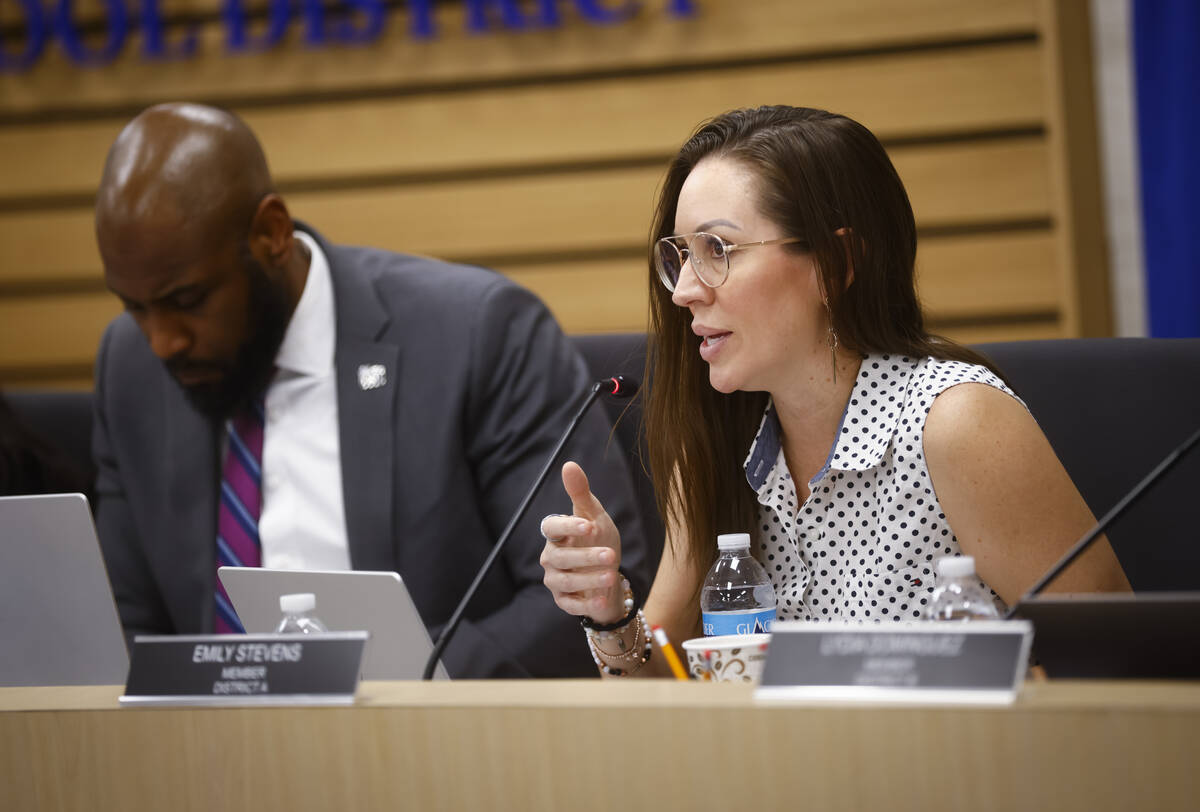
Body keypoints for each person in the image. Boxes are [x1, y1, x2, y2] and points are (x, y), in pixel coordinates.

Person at [539, 105, 1130, 677]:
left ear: (835, 263)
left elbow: (1115, 668)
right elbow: (665, 682)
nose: (684, 290)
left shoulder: (957, 424)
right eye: (680, 256)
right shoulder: (716, 441)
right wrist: (610, 609)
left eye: (717, 250)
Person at [91, 102, 649, 678]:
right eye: (135, 307)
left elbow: (593, 594)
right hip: (208, 754)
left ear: (271, 234)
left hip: (438, 744)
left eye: (187, 301)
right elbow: (119, 621)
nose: (162, 341)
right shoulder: (129, 367)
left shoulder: (479, 335)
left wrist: (371, 683)